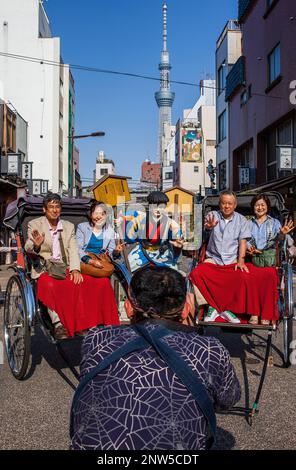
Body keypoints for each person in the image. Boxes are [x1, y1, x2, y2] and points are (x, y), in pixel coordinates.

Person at [70, 266, 241, 450]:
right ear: (185, 310)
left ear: (128, 308)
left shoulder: (96, 339)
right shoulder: (210, 349)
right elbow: (228, 400)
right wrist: (191, 326)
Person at [25, 193, 119, 340]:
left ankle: (90, 324)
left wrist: (75, 269)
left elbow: (74, 249)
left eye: (57, 207)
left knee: (98, 282)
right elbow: (28, 246)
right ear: (44, 209)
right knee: (50, 284)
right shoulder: (35, 224)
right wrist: (36, 245)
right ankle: (58, 324)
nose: (55, 210)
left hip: (67, 266)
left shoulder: (68, 226)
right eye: (51, 207)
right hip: (45, 267)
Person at [189, 190, 279, 325]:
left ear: (235, 205)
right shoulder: (212, 215)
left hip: (231, 259)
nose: (227, 206)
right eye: (224, 203)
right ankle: (210, 306)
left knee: (242, 275)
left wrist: (241, 261)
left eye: (230, 203)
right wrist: (208, 228)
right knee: (196, 273)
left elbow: (243, 241)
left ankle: (226, 309)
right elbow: (200, 232)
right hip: (213, 258)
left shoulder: (242, 220)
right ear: (220, 205)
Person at [247, 193, 294, 324]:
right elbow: (244, 240)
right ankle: (254, 313)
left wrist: (282, 234)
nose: (260, 207)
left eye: (263, 205)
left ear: (267, 207)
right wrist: (249, 248)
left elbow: (279, 243)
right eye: (257, 205)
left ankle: (266, 314)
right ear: (253, 207)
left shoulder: (274, 222)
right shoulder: (248, 223)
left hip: (270, 261)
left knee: (269, 276)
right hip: (253, 260)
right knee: (248, 277)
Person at [116, 191, 184, 272]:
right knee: (124, 270)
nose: (158, 209)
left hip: (162, 254)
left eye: (161, 206)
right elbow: (126, 216)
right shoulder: (141, 216)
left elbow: (178, 236)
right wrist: (120, 219)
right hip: (142, 253)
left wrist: (178, 245)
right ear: (150, 205)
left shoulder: (171, 223)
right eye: (155, 206)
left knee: (173, 276)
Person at [76, 200, 117, 271]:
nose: (99, 217)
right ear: (91, 215)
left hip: (100, 263)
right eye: (96, 213)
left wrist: (116, 252)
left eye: (102, 214)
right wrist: (90, 261)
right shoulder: (82, 227)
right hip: (83, 261)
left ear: (106, 216)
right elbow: (78, 248)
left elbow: (111, 253)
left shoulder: (110, 231)